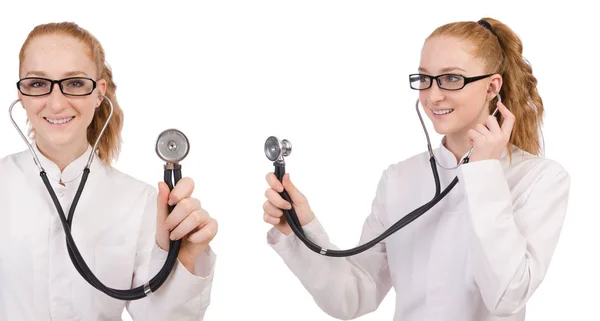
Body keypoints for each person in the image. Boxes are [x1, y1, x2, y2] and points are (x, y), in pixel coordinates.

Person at [262, 17, 570, 321]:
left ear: (492, 87)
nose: (433, 95)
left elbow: (507, 296)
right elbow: (354, 296)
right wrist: (301, 230)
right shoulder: (399, 179)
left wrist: (484, 171)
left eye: (451, 78)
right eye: (425, 79)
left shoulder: (540, 179)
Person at [0, 22, 218, 320]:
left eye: (75, 83)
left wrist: (184, 260)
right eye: (37, 84)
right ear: (21, 94)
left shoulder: (140, 202)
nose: (56, 102)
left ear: (98, 93)